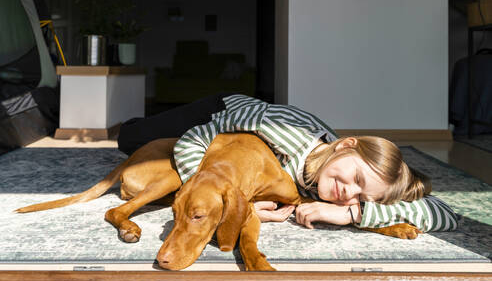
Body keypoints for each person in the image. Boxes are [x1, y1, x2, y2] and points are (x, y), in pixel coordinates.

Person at [118, 93, 458, 233]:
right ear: (344, 145)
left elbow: (444, 215)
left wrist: (351, 214)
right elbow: (197, 138)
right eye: (354, 176)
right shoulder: (281, 128)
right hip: (225, 114)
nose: (347, 192)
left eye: (362, 196)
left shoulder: (349, 195)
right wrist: (211, 195)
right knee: (131, 141)